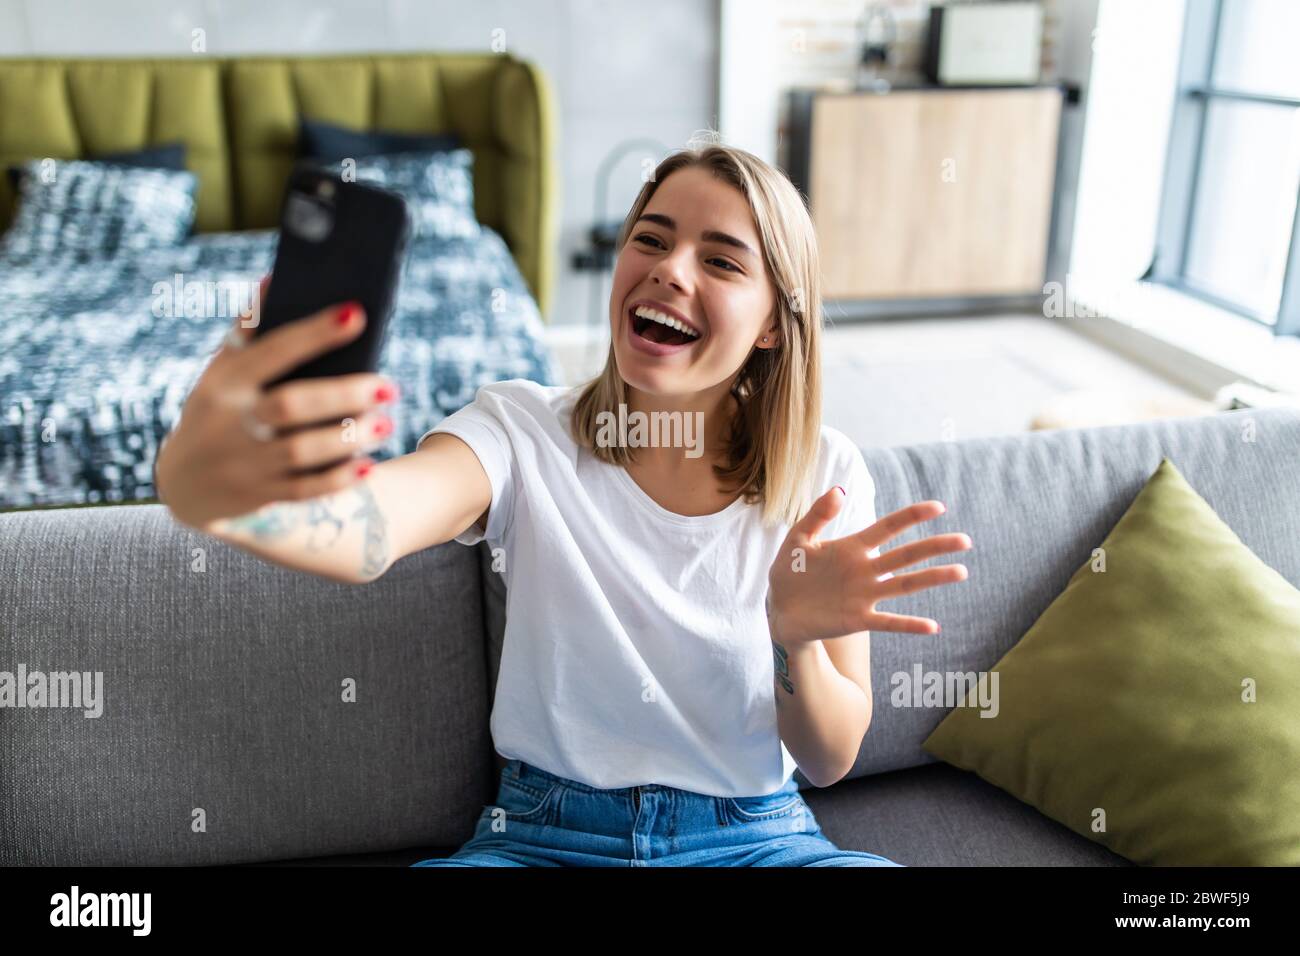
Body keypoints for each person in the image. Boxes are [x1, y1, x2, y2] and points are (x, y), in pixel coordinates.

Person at [155, 140, 973, 867]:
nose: (669, 268)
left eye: (721, 261)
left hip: (755, 838)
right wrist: (213, 490)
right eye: (650, 239)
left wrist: (792, 636)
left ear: (771, 324)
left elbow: (829, 759)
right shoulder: (518, 428)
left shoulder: (824, 474)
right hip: (543, 837)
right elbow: (366, 530)